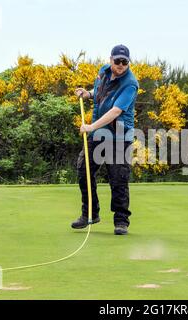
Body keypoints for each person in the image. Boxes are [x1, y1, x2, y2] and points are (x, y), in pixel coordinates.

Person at [71, 44, 139, 235]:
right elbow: (101, 94)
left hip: (119, 135)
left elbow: (116, 110)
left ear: (128, 63)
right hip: (98, 133)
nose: (120, 65)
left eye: (124, 62)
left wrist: (91, 127)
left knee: (118, 178)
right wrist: (88, 94)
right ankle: (90, 214)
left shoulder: (130, 84)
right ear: (111, 60)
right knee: (84, 169)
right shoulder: (103, 71)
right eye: (117, 61)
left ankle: (121, 221)